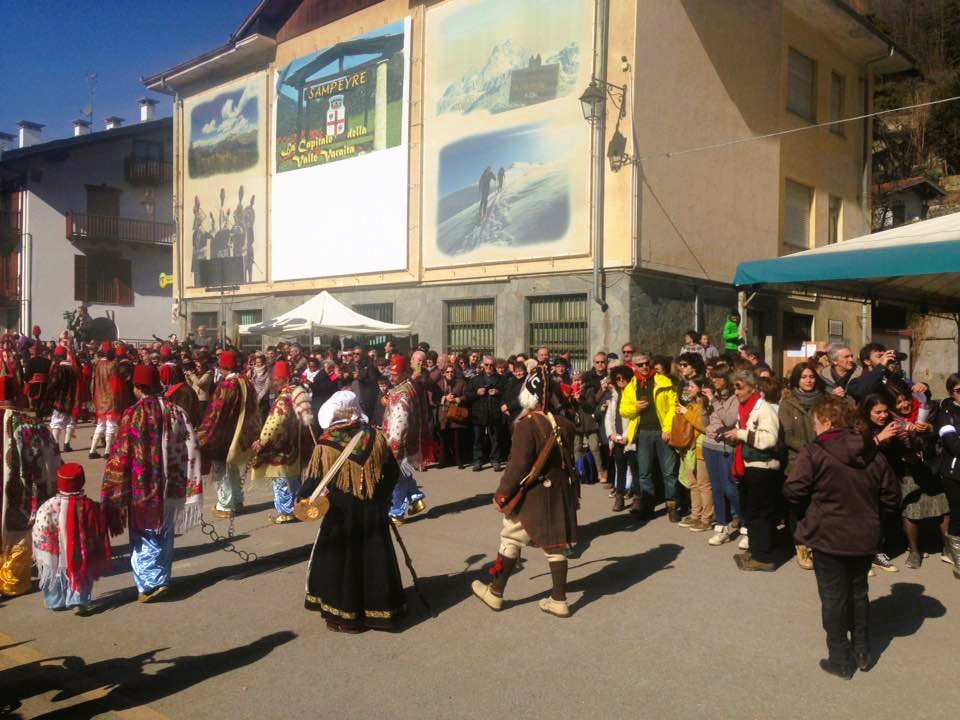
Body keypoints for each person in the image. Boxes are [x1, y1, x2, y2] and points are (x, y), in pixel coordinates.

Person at [783, 395, 900, 679]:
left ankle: (840, 658)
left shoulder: (814, 451)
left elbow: (793, 490)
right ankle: (861, 651)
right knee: (858, 592)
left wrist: (811, 511)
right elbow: (892, 497)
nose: (814, 428)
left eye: (815, 423)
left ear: (827, 421)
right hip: (864, 536)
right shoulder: (874, 452)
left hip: (828, 536)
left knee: (834, 597)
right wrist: (872, 519)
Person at [472, 365, 578, 617]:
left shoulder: (527, 424)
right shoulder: (564, 424)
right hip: (559, 494)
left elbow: (517, 467)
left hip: (534, 495)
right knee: (556, 546)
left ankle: (495, 593)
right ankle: (559, 599)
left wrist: (501, 495)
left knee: (510, 538)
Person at [300, 391, 406, 632]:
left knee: (340, 559)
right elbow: (392, 474)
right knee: (372, 558)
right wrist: (381, 498)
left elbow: (315, 478)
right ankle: (380, 613)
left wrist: (304, 497)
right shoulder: (376, 437)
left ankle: (343, 616)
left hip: (340, 512)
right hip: (372, 509)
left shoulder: (327, 441)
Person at [100, 363, 202, 603]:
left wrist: (113, 485)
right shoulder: (176, 411)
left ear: (137, 386)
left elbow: (121, 452)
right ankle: (161, 578)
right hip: (173, 484)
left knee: (144, 533)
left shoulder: (133, 413)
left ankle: (150, 584)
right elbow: (192, 445)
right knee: (165, 533)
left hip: (143, 485)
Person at [861, 389, 948, 571]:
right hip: (865, 477)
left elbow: (910, 446)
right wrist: (879, 439)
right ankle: (866, 557)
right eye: (878, 412)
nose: (883, 415)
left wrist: (913, 434)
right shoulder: (859, 427)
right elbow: (856, 453)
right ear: (867, 412)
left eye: (885, 411)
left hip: (888, 475)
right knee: (867, 515)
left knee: (881, 514)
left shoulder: (896, 423)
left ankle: (877, 552)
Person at [0, 382, 60, 598]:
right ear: (18, 396)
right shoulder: (31, 424)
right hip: (22, 494)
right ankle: (13, 582)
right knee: (18, 534)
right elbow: (52, 460)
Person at [32, 463, 111, 615]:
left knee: (52, 570)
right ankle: (78, 600)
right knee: (81, 572)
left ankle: (54, 600)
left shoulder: (47, 507)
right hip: (79, 550)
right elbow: (97, 530)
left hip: (54, 550)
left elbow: (39, 530)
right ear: (82, 481)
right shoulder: (90, 507)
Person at [723, 369, 782, 571]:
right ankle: (756, 550)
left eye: (739, 387)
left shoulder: (763, 409)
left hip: (763, 468)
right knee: (752, 512)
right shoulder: (746, 407)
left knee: (760, 513)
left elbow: (769, 439)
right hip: (749, 466)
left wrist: (739, 433)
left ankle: (763, 557)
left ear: (752, 387)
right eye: (734, 387)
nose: (736, 392)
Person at [197, 350, 260, 518]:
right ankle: (238, 500)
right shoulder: (246, 382)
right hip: (240, 433)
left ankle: (225, 505)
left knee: (220, 469)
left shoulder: (227, 385)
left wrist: (203, 433)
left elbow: (215, 412)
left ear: (223, 366)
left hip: (223, 434)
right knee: (233, 468)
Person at [619, 351, 679, 520]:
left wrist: (667, 428)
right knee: (644, 472)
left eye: (647, 364)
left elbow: (673, 407)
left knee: (669, 472)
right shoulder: (631, 385)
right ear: (634, 366)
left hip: (661, 431)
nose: (644, 367)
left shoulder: (663, 381)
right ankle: (648, 505)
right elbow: (623, 409)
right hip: (643, 433)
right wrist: (635, 408)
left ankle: (672, 505)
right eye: (640, 365)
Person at [252, 360, 314, 524]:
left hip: (281, 446)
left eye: (275, 380)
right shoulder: (298, 393)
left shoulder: (284, 398)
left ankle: (286, 511)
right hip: (295, 444)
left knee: (280, 479)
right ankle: (294, 507)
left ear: (284, 379)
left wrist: (262, 441)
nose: (273, 383)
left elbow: (274, 422)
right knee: (293, 478)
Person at [780, 363, 826, 570]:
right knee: (798, 507)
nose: (809, 380)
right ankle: (801, 545)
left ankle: (819, 543)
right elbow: (787, 436)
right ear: (796, 380)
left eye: (811, 376)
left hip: (824, 460)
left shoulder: (825, 400)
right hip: (797, 463)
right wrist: (810, 450)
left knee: (819, 505)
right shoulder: (788, 403)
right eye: (804, 377)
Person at [383, 352, 429, 524]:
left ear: (403, 373)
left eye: (394, 375)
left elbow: (399, 421)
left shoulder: (400, 393)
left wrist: (392, 443)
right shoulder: (411, 386)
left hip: (399, 441)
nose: (391, 377)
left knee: (396, 477)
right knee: (403, 473)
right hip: (411, 438)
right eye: (391, 374)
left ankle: (396, 512)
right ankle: (416, 498)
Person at [702, 367, 742, 545]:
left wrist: (713, 400)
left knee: (729, 488)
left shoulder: (735, 397)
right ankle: (722, 526)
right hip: (710, 445)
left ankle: (746, 523)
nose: (715, 381)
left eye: (719, 378)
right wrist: (703, 405)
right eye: (713, 378)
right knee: (716, 488)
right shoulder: (714, 397)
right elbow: (706, 423)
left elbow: (729, 420)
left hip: (726, 447)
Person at [933, 373, 960, 579]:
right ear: (952, 392)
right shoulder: (946, 413)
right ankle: (956, 557)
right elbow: (953, 445)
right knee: (957, 514)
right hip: (954, 472)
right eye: (959, 390)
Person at [466, 354, 505, 471]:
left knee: (495, 438)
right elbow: (468, 395)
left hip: (494, 413)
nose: (489, 367)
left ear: (494, 366)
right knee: (478, 438)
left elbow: (506, 393)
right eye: (486, 364)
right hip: (479, 413)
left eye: (491, 365)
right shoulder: (475, 379)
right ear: (483, 365)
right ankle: (478, 460)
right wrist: (477, 392)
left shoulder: (501, 379)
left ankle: (495, 460)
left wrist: (498, 392)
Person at [90, 341, 128, 459]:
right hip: (111, 397)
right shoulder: (113, 364)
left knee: (100, 424)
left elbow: (93, 383)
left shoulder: (96, 365)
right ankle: (107, 451)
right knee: (111, 424)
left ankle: (92, 450)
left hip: (99, 396)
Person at [45, 346, 81, 453]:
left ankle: (56, 444)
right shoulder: (74, 369)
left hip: (59, 400)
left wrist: (48, 396)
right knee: (69, 422)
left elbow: (53, 384)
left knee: (56, 423)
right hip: (71, 400)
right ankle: (67, 444)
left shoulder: (58, 369)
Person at [438, 364, 469, 468]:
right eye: (447, 372)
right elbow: (434, 397)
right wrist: (445, 398)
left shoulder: (461, 383)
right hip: (443, 414)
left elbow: (467, 396)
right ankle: (443, 461)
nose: (450, 374)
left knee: (457, 439)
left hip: (456, 413)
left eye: (451, 372)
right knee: (443, 439)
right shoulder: (440, 383)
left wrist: (457, 399)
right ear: (444, 373)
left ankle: (458, 461)